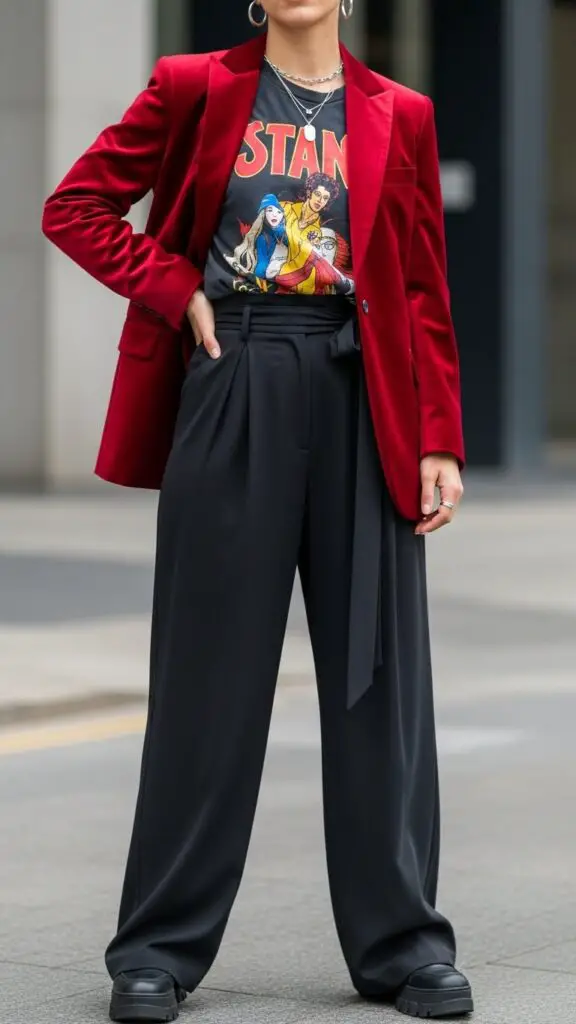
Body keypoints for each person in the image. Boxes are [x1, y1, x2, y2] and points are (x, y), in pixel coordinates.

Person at [41, 0, 472, 1020]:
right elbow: (77, 206)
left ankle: (403, 944)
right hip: (233, 377)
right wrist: (173, 288)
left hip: (363, 389)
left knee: (380, 679)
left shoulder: (399, 111)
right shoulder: (196, 87)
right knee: (206, 681)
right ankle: (155, 949)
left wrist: (440, 434)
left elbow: (416, 283)